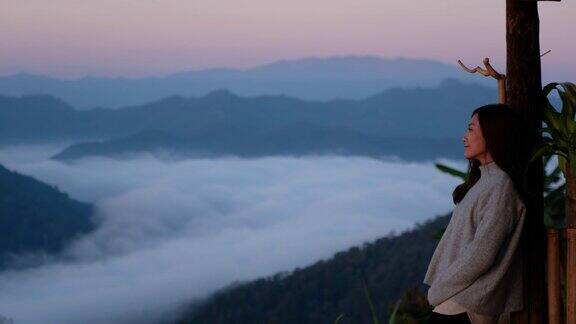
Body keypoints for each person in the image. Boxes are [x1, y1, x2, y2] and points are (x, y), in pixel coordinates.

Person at [423, 104, 532, 324]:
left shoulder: (501, 187)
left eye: (471, 129)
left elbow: (482, 254)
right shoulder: (486, 181)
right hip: (459, 298)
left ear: (494, 135)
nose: (464, 137)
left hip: (468, 301)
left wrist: (440, 288)